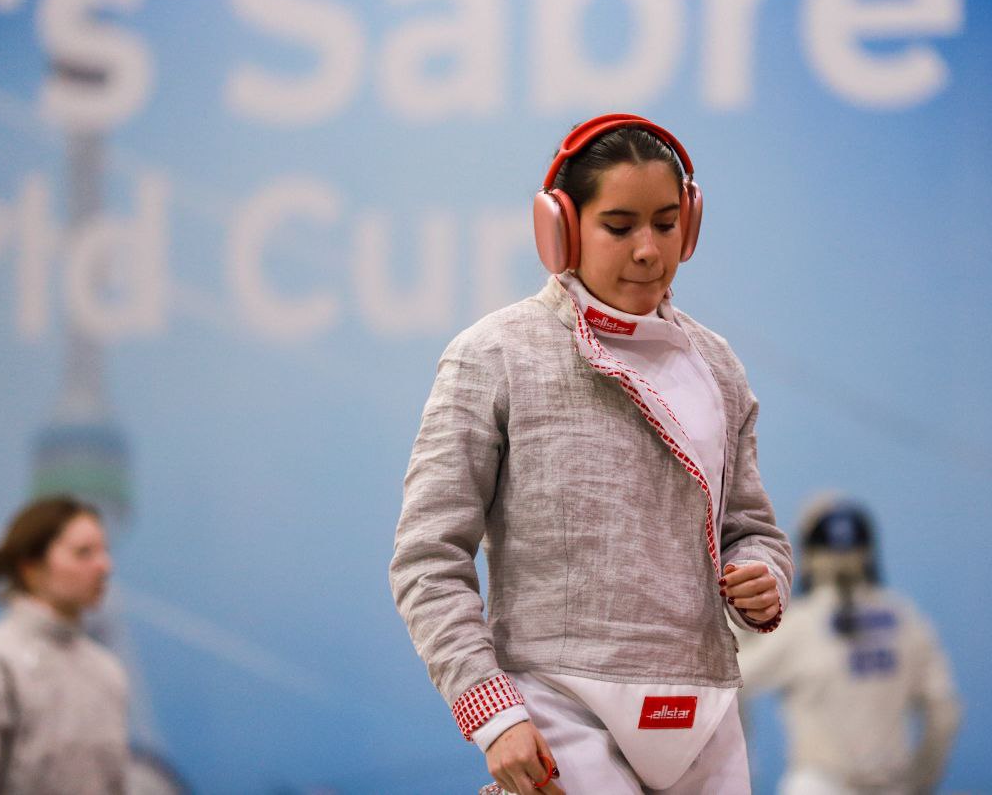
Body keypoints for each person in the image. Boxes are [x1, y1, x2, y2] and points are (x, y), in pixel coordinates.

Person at [390, 114, 793, 794]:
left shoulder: (717, 366)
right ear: (562, 229)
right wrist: (493, 713)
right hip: (557, 702)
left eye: (666, 224)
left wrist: (762, 574)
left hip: (704, 707)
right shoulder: (493, 355)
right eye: (619, 226)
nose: (648, 250)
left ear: (690, 225)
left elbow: (751, 529)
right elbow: (428, 559)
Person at [738, 495, 961, 795]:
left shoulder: (802, 624)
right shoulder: (905, 619)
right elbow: (944, 712)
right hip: (893, 786)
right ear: (867, 552)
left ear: (808, 554)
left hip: (821, 785)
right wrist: (921, 782)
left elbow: (731, 679)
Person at [0, 495, 129, 793]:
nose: (104, 566)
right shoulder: (0, 660)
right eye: (83, 553)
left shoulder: (107, 671)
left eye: (104, 551)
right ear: (30, 567)